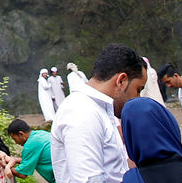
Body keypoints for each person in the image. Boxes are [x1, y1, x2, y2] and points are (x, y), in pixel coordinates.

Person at [51, 43, 147, 183]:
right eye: (138, 89)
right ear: (121, 81)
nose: (138, 98)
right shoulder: (81, 111)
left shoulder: (98, 109)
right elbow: (89, 180)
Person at [6, 118, 53, 183]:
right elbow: (32, 160)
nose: (16, 142)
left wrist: (5, 165)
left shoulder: (30, 145)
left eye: (14, 139)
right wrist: (16, 159)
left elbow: (22, 174)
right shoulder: (41, 133)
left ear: (21, 134)